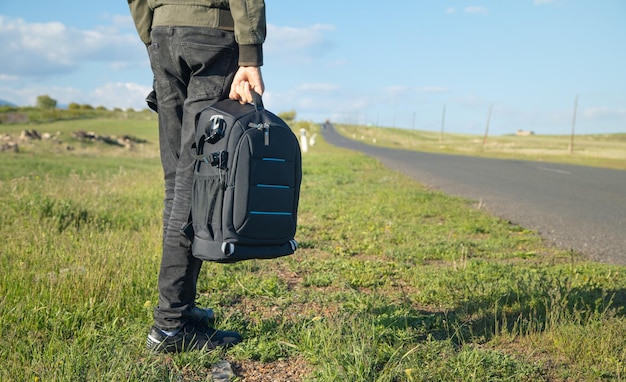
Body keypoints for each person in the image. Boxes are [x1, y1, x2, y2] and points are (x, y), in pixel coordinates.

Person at [127, 0, 266, 353]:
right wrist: (249, 55)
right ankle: (170, 325)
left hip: (162, 35)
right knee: (193, 182)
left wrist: (153, 33)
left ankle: (179, 310)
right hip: (211, 36)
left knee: (179, 182)